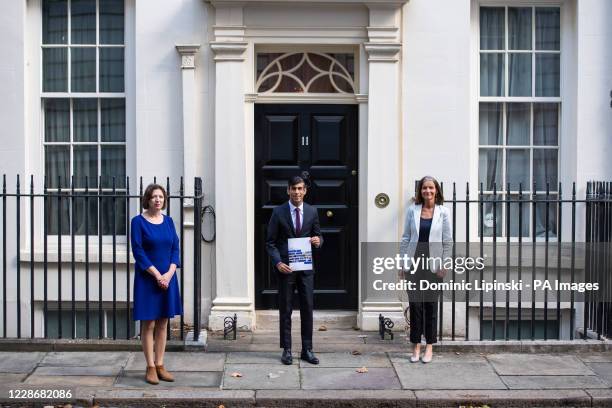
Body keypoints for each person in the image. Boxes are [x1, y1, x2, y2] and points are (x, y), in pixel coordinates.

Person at [266, 175, 323, 365]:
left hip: (305, 269)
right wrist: (277, 263)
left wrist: (318, 241)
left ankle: (307, 349)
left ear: (305, 191)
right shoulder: (278, 212)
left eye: (300, 189)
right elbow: (270, 243)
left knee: (307, 308)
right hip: (286, 269)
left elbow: (319, 236)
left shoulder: (312, 211)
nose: (297, 192)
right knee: (286, 309)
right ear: (288, 190)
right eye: (293, 189)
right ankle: (287, 349)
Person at [131, 184, 182, 384]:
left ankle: (160, 364)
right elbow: (138, 251)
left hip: (167, 278)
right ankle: (150, 366)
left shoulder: (169, 222)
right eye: (154, 197)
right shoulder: (138, 222)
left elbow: (175, 248)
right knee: (149, 323)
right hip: (147, 279)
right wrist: (156, 275)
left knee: (163, 323)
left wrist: (169, 274)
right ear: (148, 199)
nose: (158, 200)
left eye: (161, 197)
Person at [400, 176, 452, 363]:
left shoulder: (443, 212)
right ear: (420, 191)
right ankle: (416, 346)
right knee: (415, 305)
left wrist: (445, 264)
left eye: (431, 188)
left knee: (430, 306)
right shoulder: (412, 211)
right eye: (424, 188)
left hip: (434, 266)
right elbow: (406, 238)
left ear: (436, 190)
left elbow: (447, 241)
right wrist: (402, 264)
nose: (427, 191)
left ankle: (429, 347)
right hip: (414, 263)